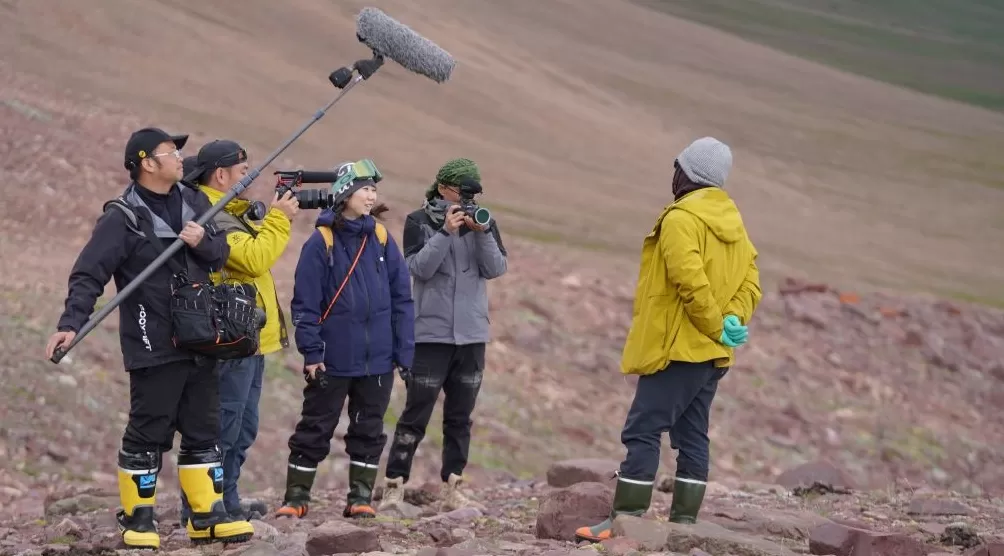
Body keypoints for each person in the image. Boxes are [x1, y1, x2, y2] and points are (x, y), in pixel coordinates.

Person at [44, 127, 255, 548]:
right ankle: (138, 519)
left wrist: (201, 242)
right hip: (151, 341)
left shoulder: (194, 202)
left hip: (202, 338)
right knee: (149, 429)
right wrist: (71, 323)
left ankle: (205, 515)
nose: (181, 157)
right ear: (147, 163)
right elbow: (89, 274)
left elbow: (219, 254)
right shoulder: (121, 217)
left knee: (203, 428)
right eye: (171, 152)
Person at [575, 137, 761, 542]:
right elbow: (750, 280)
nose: (672, 174)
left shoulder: (681, 219)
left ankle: (625, 522)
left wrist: (715, 324)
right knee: (692, 435)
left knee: (643, 429)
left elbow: (689, 283)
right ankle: (683, 526)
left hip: (679, 349)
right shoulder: (733, 221)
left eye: (676, 166)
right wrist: (732, 320)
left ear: (689, 173)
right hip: (713, 355)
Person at [276, 159, 415, 520]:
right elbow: (304, 305)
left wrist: (404, 353)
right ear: (345, 193)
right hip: (333, 358)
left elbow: (402, 299)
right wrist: (311, 353)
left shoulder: (382, 239)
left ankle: (360, 499)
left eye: (373, 189)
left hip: (378, 360)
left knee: (369, 429)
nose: (371, 196)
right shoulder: (319, 242)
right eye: (364, 188)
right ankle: (295, 499)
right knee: (315, 426)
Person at [173, 139, 299, 523]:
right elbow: (256, 258)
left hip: (249, 337)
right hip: (228, 337)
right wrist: (279, 218)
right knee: (223, 424)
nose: (248, 177)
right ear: (221, 173)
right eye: (243, 171)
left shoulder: (228, 210)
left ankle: (226, 500)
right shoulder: (210, 214)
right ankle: (201, 507)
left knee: (243, 427)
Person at [379, 158, 507, 512]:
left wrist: (480, 235)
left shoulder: (484, 223)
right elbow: (418, 268)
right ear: (443, 188)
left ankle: (454, 486)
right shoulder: (419, 222)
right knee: (415, 414)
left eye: (473, 194)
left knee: (460, 417)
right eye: (463, 192)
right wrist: (446, 232)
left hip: (471, 336)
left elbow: (495, 269)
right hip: (431, 335)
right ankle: (394, 485)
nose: (468, 199)